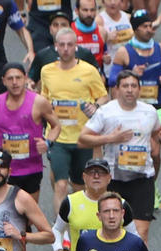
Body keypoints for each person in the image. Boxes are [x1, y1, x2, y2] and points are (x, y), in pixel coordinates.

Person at [78, 70, 161, 241]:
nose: (129, 90)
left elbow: (158, 132)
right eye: (125, 86)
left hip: (142, 178)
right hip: (114, 180)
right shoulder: (106, 111)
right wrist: (111, 138)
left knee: (141, 233)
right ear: (117, 89)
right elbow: (82, 139)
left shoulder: (149, 111)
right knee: (112, 231)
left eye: (133, 86)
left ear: (139, 90)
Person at [38, 26, 108, 214]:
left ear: (76, 46)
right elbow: (43, 97)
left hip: (82, 138)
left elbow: (103, 96)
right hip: (58, 137)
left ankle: (78, 224)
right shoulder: (46, 71)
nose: (66, 49)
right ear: (56, 47)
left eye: (70, 44)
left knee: (78, 186)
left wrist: (97, 107)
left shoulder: (89, 70)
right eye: (62, 45)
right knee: (60, 185)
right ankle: (59, 229)